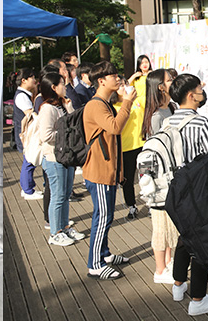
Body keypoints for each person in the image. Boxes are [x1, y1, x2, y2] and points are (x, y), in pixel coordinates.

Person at [158, 74, 208, 315]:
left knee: (185, 235)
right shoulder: (200, 122)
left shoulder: (167, 121)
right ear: (190, 95)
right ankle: (198, 298)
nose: (202, 91)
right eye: (199, 88)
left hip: (174, 190)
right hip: (198, 192)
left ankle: (178, 284)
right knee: (201, 240)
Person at [82, 61, 136, 280]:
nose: (118, 78)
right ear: (101, 80)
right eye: (113, 75)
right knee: (102, 217)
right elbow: (115, 127)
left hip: (108, 171)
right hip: (99, 172)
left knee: (106, 215)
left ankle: (104, 255)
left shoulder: (103, 104)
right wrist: (127, 102)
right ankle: (94, 264)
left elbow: (113, 140)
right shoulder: (95, 105)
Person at [35, 72, 85, 246]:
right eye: (62, 84)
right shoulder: (47, 108)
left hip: (67, 156)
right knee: (57, 195)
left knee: (64, 194)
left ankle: (64, 227)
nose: (65, 86)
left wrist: (69, 107)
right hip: (54, 158)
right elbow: (46, 135)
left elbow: (73, 124)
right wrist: (65, 135)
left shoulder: (62, 104)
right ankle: (55, 232)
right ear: (53, 88)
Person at [119, 55, 152, 219]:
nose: (124, 88)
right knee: (127, 180)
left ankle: (151, 204)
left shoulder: (138, 102)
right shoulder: (114, 106)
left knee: (147, 175)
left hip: (142, 145)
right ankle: (132, 206)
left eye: (124, 85)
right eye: (121, 86)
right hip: (125, 148)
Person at [13, 68, 42, 200]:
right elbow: (30, 115)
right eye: (32, 77)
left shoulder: (24, 94)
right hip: (26, 134)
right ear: (24, 80)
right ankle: (27, 190)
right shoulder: (21, 96)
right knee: (29, 161)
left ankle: (27, 188)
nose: (35, 80)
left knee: (28, 161)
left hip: (26, 134)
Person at [142, 69, 173, 136]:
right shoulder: (156, 116)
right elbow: (154, 144)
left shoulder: (172, 107)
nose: (173, 82)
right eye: (169, 80)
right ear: (161, 87)